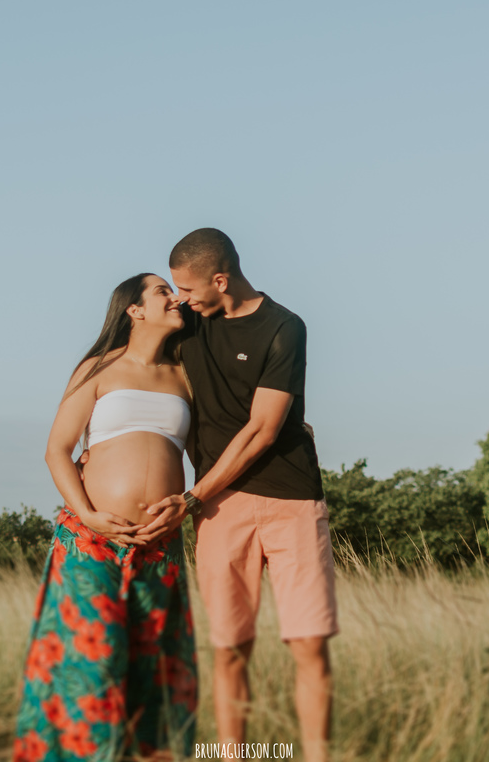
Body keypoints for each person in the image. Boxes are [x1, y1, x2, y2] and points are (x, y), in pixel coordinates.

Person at [136, 229, 337, 762]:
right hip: (219, 510)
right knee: (229, 649)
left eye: (187, 288)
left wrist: (192, 498)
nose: (180, 298)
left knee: (309, 644)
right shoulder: (187, 325)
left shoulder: (285, 327)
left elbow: (263, 430)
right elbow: (133, 369)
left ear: (220, 279)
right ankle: (233, 757)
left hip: (289, 498)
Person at [13, 273, 198, 762]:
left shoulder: (186, 375)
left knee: (152, 666)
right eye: (162, 291)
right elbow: (57, 450)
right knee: (91, 665)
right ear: (134, 310)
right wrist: (89, 515)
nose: (175, 298)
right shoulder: (98, 368)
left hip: (159, 545)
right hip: (90, 540)